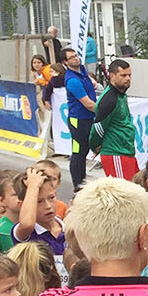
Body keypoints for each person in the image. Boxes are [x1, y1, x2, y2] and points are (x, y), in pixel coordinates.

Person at [93, 59, 140, 180]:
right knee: (123, 190)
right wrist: (95, 146)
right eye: (123, 75)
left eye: (129, 75)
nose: (128, 78)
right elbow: (98, 127)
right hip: (115, 153)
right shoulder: (109, 100)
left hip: (126, 151)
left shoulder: (121, 95)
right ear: (112, 76)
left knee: (136, 186)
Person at [61, 47, 98, 190]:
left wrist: (92, 81)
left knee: (85, 151)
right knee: (78, 153)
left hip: (88, 119)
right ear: (65, 62)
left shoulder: (82, 71)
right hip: (78, 121)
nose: (76, 59)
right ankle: (78, 185)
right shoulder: (73, 81)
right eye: (71, 57)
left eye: (76, 55)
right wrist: (105, 112)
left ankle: (82, 182)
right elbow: (88, 104)